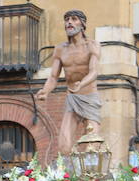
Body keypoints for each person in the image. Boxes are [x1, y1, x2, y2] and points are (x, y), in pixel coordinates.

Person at [34, 10, 101, 154]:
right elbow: (53, 77)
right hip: (72, 98)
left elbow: (94, 72)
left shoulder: (92, 45)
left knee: (93, 144)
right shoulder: (60, 49)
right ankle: (67, 174)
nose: (69, 22)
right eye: (67, 20)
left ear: (82, 24)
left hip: (89, 97)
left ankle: (92, 175)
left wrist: (81, 84)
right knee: (63, 143)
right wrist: (45, 90)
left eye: (74, 19)